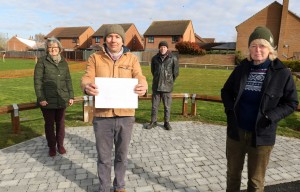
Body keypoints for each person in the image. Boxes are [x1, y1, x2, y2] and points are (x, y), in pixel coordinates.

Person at [221, 26, 299, 192]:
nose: (258, 50)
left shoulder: (282, 73)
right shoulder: (242, 68)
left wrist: (271, 116)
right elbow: (226, 91)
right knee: (232, 175)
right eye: (254, 45)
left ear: (270, 49)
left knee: (256, 182)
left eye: (262, 46)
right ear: (249, 48)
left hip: (262, 135)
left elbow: (291, 102)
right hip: (236, 133)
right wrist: (230, 112)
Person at [81, 24, 147, 192]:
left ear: (122, 40)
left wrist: (143, 85)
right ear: (105, 39)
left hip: (126, 116)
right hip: (102, 116)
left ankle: (120, 186)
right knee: (104, 157)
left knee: (122, 156)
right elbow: (87, 77)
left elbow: (140, 76)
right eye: (110, 36)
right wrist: (87, 85)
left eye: (117, 37)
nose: (113, 40)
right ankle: (104, 187)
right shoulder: (95, 58)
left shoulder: (131, 58)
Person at [34, 37, 74, 157]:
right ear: (47, 49)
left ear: (59, 49)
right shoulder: (42, 61)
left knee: (61, 123)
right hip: (47, 99)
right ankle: (52, 146)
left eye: (55, 47)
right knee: (49, 124)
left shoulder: (64, 62)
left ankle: (60, 145)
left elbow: (68, 80)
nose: (53, 49)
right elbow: (37, 81)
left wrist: (71, 96)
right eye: (50, 48)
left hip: (61, 98)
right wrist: (41, 98)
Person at [145, 41, 179, 130]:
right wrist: (158, 79)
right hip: (156, 86)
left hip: (167, 87)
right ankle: (153, 121)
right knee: (154, 106)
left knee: (167, 106)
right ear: (159, 48)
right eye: (161, 47)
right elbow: (153, 71)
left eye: (164, 47)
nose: (163, 48)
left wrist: (169, 81)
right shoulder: (154, 58)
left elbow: (175, 73)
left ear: (167, 48)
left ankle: (166, 122)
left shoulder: (173, 58)